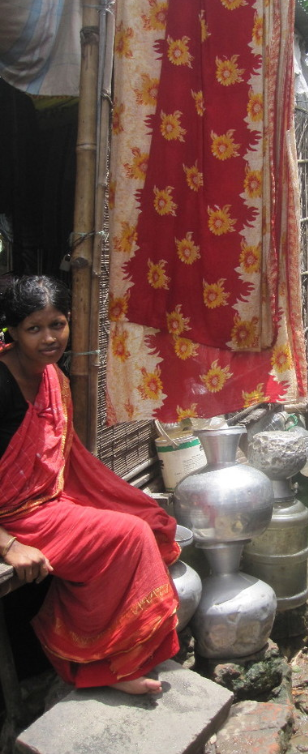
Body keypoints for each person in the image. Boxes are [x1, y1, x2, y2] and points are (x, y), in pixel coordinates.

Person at [0, 275, 181, 695]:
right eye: (34, 328)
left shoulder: (53, 379)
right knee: (131, 535)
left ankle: (110, 653)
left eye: (57, 324)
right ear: (11, 331)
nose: (49, 338)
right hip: (13, 520)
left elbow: (65, 459)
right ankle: (109, 666)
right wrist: (8, 545)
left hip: (45, 504)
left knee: (147, 519)